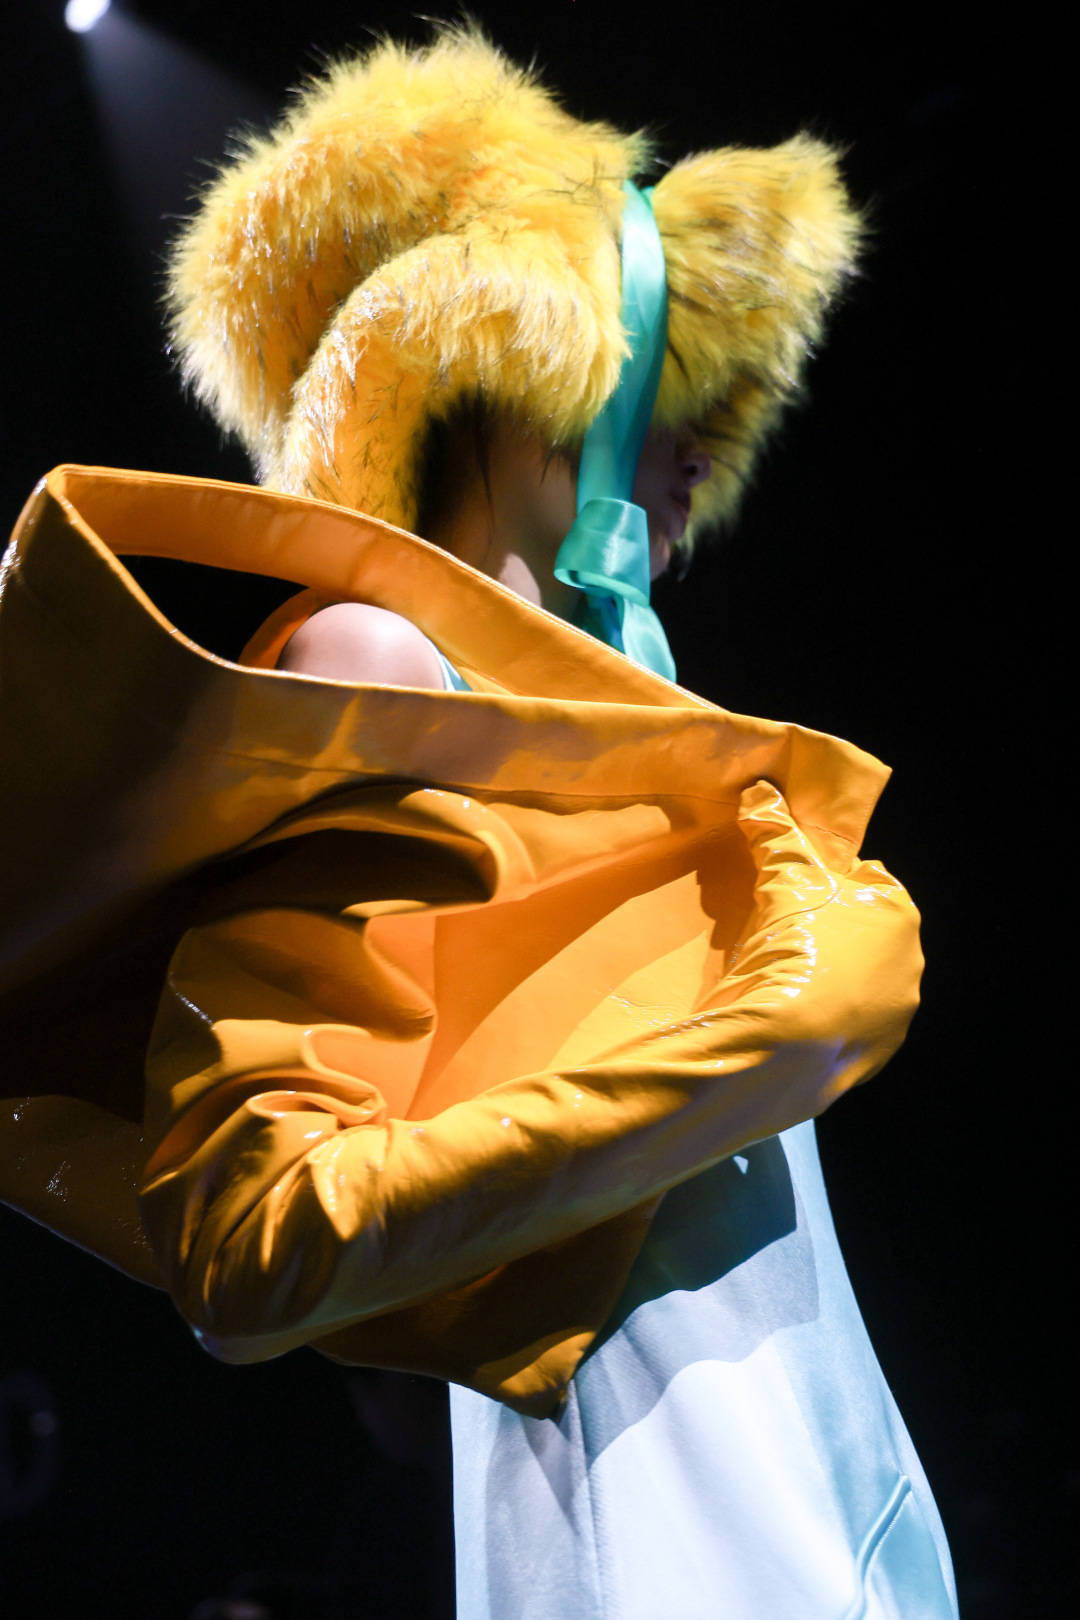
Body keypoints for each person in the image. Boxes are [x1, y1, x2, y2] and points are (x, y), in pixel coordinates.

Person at [0, 26, 959, 1619]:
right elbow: (249, 1237)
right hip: (646, 1514)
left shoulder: (632, 736)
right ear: (524, 355)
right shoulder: (376, 665)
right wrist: (756, 1044)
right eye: (672, 373)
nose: (704, 444)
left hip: (816, 1487)